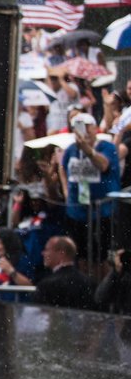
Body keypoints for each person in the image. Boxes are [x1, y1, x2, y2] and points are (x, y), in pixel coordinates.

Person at [55, 112, 120, 269]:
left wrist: (88, 150)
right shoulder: (71, 150)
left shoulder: (107, 147)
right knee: (80, 255)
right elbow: (62, 168)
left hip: (102, 212)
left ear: (95, 128)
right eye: (78, 127)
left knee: (102, 256)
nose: (83, 131)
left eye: (86, 127)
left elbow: (103, 165)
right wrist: (65, 189)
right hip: (77, 211)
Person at [33, 235, 96, 310]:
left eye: (47, 250)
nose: (43, 253)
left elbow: (42, 317)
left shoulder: (47, 285)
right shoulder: (89, 282)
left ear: (61, 253)